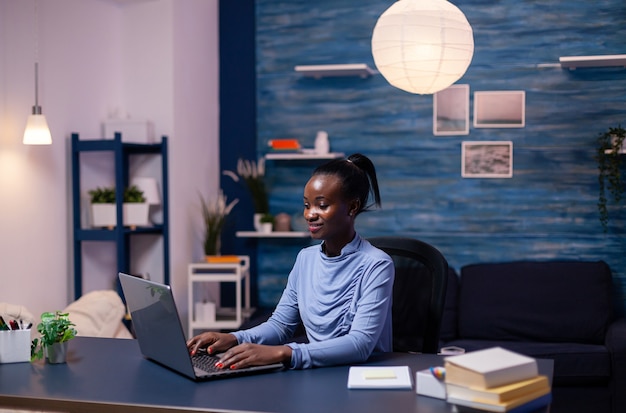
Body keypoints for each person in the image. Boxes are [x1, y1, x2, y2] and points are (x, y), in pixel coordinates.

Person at [187, 153, 394, 369]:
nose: (310, 215)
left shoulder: (377, 265)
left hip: (364, 380)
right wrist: (235, 338)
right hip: (320, 374)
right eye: (307, 205)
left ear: (352, 208)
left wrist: (285, 352)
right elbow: (280, 325)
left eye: (322, 205)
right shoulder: (305, 259)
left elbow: (360, 344)